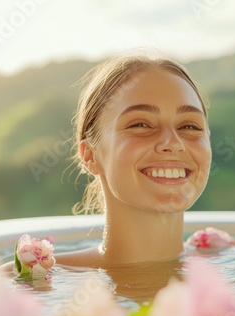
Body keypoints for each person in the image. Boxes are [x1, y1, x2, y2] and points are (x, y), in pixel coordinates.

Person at [51, 50, 212, 268]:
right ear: (89, 154)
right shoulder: (28, 283)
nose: (173, 143)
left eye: (189, 126)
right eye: (141, 125)